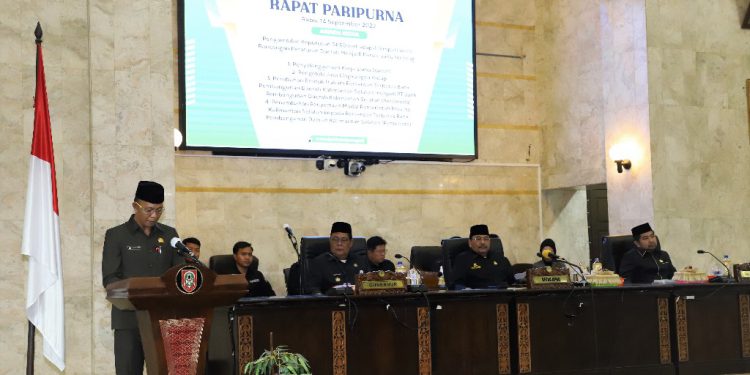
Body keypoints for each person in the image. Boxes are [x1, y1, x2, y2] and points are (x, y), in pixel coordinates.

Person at [101, 181, 185, 375]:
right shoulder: (116, 235)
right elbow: (110, 279)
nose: (154, 215)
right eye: (148, 210)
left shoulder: (170, 235)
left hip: (163, 320)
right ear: (135, 206)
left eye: (159, 210)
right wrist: (137, 293)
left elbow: (180, 274)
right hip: (128, 321)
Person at [307, 222, 367, 294]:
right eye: (335, 239)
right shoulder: (318, 263)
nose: (339, 243)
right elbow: (313, 291)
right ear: (330, 241)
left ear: (351, 243)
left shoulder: (361, 261)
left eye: (344, 240)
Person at [451, 224, 515, 289]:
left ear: (490, 241)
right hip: (476, 297)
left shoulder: (500, 258)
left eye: (486, 239)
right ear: (470, 242)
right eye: (478, 239)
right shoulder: (462, 259)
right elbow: (457, 285)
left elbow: (512, 282)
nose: (482, 242)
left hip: (503, 296)